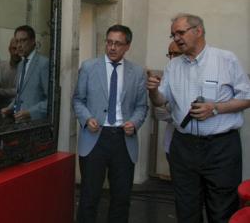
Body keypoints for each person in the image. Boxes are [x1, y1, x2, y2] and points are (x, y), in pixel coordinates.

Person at [147, 13, 250, 223]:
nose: (175, 38)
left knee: (222, 210)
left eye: (180, 32)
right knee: (186, 209)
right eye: (173, 34)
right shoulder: (173, 66)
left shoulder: (225, 59)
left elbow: (247, 97)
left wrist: (215, 108)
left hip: (221, 148)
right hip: (184, 147)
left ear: (198, 31)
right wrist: (153, 91)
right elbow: (160, 101)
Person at [73, 24, 148, 223]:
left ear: (127, 46)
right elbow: (78, 100)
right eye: (109, 42)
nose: (112, 48)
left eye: (118, 44)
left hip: (124, 139)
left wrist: (134, 123)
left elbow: (142, 107)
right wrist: (87, 118)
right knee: (89, 196)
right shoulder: (89, 67)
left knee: (121, 198)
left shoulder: (138, 72)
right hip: (95, 138)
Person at [0, 25, 49, 121]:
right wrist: (10, 108)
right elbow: (20, 95)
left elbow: (50, 100)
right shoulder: (21, 65)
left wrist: (30, 113)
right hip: (19, 123)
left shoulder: (43, 64)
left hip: (35, 124)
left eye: (23, 40)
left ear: (33, 41)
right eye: (17, 41)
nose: (19, 45)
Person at [151, 41, 183, 158]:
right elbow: (159, 113)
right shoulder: (168, 74)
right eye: (170, 54)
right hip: (172, 144)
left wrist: (172, 110)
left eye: (177, 54)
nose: (172, 58)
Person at [0, 38, 20, 110]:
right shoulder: (0, 66)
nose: (16, 52)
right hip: (0, 112)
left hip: (18, 113)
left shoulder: (26, 70)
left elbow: (20, 92)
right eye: (14, 48)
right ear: (9, 49)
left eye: (19, 49)